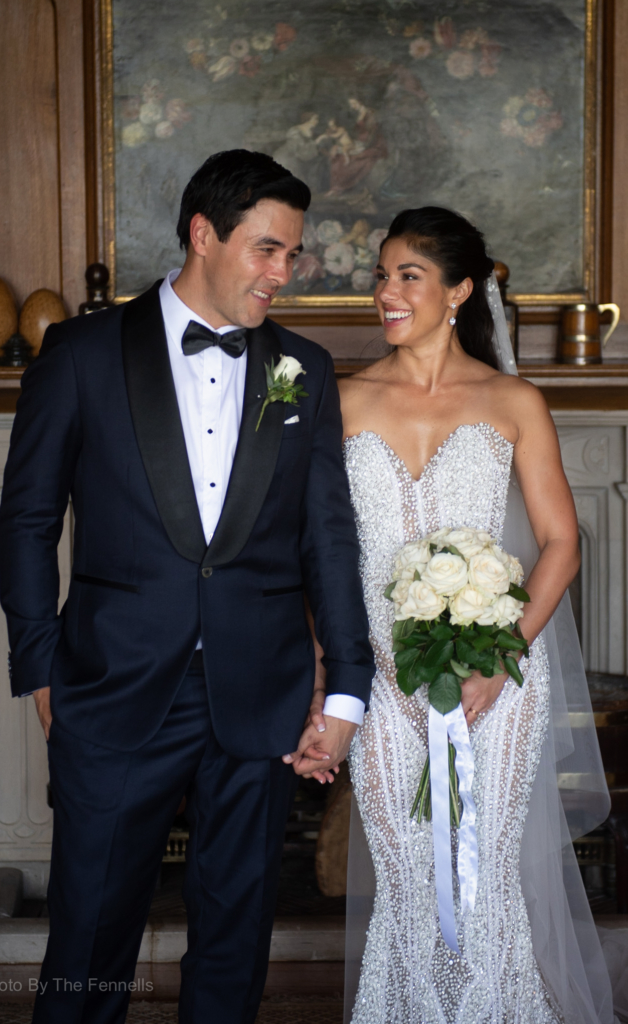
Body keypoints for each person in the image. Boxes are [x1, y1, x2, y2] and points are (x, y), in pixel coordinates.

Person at [0, 149, 374, 1024]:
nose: (284, 273)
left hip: (262, 692)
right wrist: (41, 664)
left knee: (236, 935)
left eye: (293, 254)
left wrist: (347, 689)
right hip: (110, 685)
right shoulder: (82, 354)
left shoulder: (301, 370)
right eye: (267, 250)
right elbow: (25, 522)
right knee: (88, 934)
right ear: (204, 235)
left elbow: (329, 535)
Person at [301, 205, 615, 1021]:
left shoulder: (513, 400)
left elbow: (558, 543)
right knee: (407, 873)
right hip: (378, 678)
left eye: (408, 275)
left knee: (481, 867)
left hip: (498, 679)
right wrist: (325, 681)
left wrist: (498, 654)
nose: (385, 292)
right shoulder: (339, 402)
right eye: (379, 275)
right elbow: (318, 562)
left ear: (458, 289)